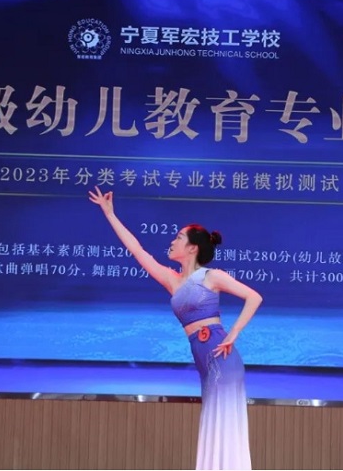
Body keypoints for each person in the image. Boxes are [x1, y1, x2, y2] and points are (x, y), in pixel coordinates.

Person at [89, 186, 262, 470]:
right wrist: (110, 214)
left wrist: (233, 335)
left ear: (192, 248)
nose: (172, 241)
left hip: (222, 358)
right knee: (213, 423)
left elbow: (254, 297)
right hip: (204, 359)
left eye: (179, 237)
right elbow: (137, 250)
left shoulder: (211, 276)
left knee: (224, 425)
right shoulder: (172, 280)